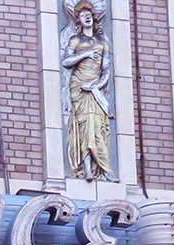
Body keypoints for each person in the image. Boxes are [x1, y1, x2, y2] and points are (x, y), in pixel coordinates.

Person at [60, 0, 115, 181]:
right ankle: (86, 169)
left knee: (97, 126)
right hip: (78, 88)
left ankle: (102, 167)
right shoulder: (75, 40)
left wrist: (98, 85)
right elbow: (66, 61)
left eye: (89, 15)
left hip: (94, 89)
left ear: (93, 18)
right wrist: (85, 54)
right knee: (84, 126)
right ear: (78, 21)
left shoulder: (101, 42)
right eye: (83, 16)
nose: (87, 18)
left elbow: (106, 68)